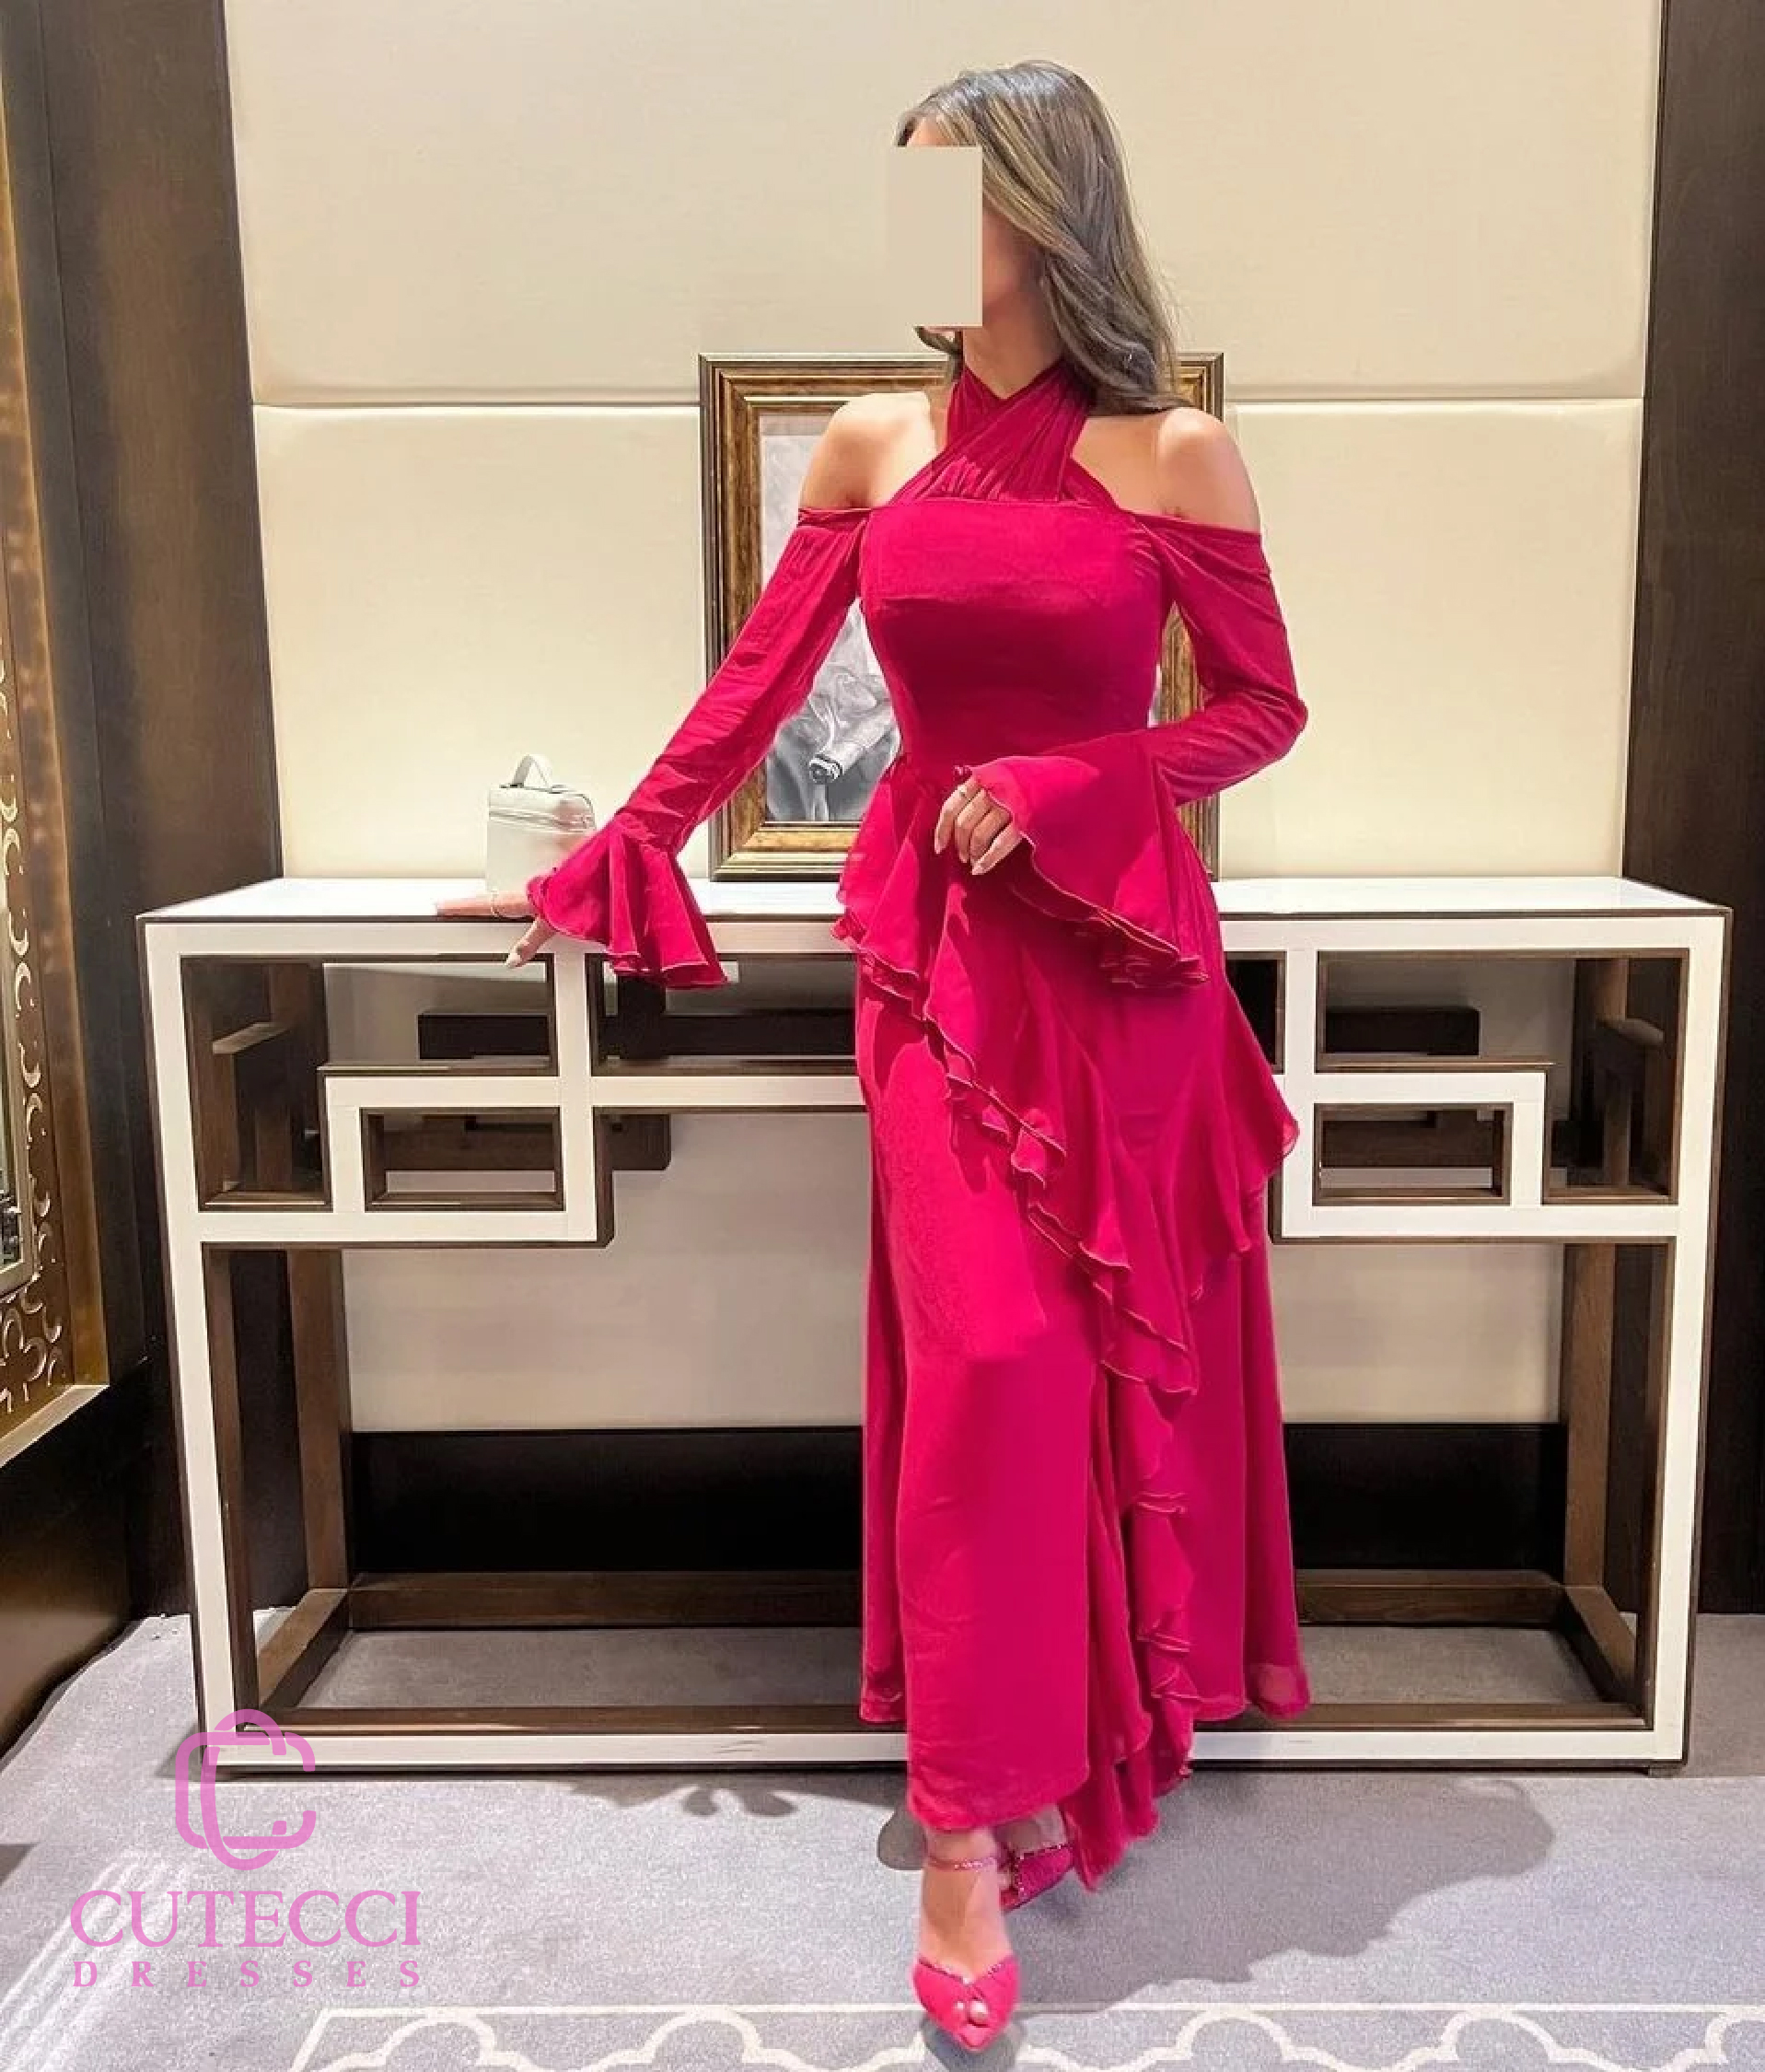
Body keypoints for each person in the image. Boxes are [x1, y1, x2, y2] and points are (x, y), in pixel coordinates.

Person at [440, 57, 1314, 2055]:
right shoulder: (874, 444)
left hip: (1120, 965)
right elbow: (752, 692)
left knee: (1090, 1366)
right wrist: (606, 855)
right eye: (903, 194)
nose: (923, 236)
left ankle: (1066, 1746)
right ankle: (963, 1830)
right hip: (940, 966)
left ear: (1048, 209)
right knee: (989, 1363)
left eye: (958, 194)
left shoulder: (1173, 452)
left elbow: (1261, 710)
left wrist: (1086, 778)